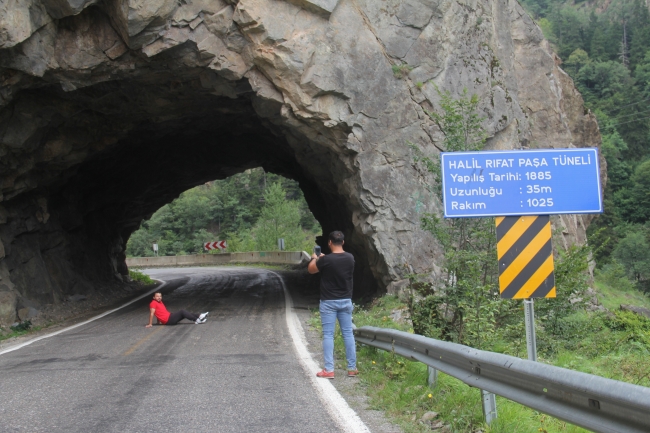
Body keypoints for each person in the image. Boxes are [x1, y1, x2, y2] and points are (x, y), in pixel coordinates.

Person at [308, 230, 357, 379]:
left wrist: (314, 258)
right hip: (346, 300)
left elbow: (311, 270)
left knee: (328, 334)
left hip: (328, 302)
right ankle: (352, 368)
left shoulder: (325, 260)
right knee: (348, 334)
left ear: (329, 242)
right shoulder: (350, 258)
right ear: (343, 242)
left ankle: (329, 369)